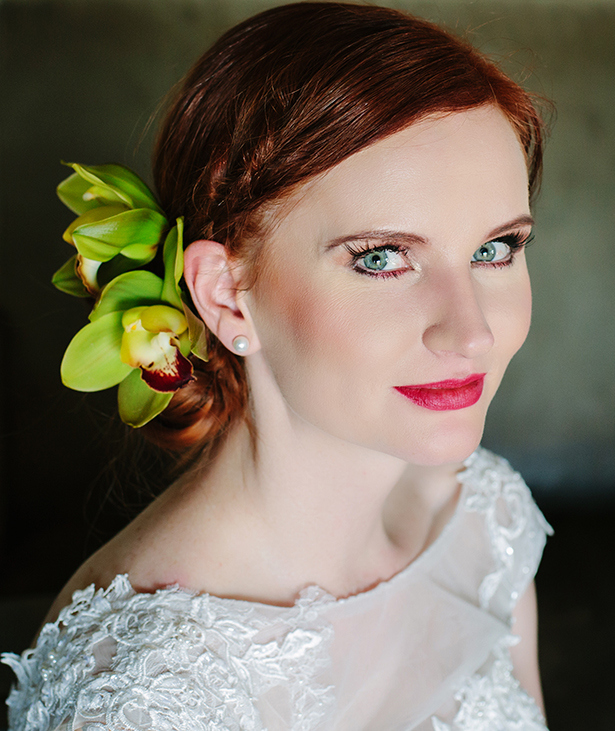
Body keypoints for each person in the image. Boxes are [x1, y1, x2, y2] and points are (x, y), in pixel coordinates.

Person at [2, 3, 552, 729]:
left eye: (495, 249)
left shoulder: (483, 523)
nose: (472, 330)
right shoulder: (147, 691)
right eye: (382, 258)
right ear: (227, 296)